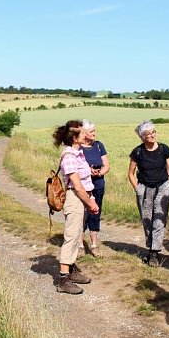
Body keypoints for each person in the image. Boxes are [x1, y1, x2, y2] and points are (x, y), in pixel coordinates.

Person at [53, 120, 100, 294]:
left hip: (82, 197)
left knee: (75, 233)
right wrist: (90, 202)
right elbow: (77, 186)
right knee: (71, 236)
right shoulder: (70, 157)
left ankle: (71, 270)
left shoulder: (78, 153)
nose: (86, 134)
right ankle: (63, 279)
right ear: (74, 137)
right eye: (82, 132)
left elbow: (84, 181)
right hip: (75, 198)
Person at [127, 120, 169, 266]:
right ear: (142, 137)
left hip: (163, 186)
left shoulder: (164, 149)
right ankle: (151, 247)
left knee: (159, 219)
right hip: (145, 188)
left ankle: (155, 252)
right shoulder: (137, 151)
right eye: (148, 134)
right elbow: (130, 173)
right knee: (147, 218)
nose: (151, 135)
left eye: (153, 132)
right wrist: (137, 188)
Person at [79, 119, 110, 256]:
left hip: (98, 185)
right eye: (91, 131)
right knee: (81, 215)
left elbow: (107, 165)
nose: (94, 133)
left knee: (95, 213)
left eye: (94, 131)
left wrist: (99, 173)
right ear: (84, 133)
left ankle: (94, 245)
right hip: (83, 187)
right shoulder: (77, 147)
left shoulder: (99, 145)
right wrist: (88, 172)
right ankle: (80, 245)